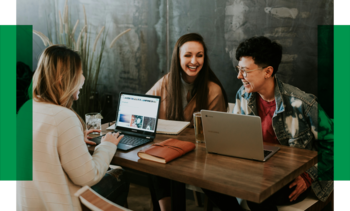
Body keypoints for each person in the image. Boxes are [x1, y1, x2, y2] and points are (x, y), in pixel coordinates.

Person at [203, 36, 334, 211]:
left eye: (245, 71)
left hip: (292, 178)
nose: (239, 76)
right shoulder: (243, 95)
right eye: (238, 69)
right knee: (206, 180)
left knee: (257, 194)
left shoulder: (303, 103)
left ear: (268, 71)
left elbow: (336, 144)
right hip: (256, 171)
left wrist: (309, 177)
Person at [16, 45, 130, 211]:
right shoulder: (64, 116)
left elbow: (42, 149)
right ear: (63, 79)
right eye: (80, 73)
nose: (83, 78)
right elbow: (88, 176)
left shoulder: (27, 108)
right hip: (57, 206)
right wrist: (107, 144)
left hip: (28, 205)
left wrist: (74, 137)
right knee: (121, 176)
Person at [146, 33, 229, 211]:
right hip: (168, 152)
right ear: (178, 58)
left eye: (199, 55)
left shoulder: (213, 90)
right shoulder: (167, 81)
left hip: (199, 157)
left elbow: (215, 136)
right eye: (187, 55)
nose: (194, 61)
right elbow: (145, 107)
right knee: (152, 160)